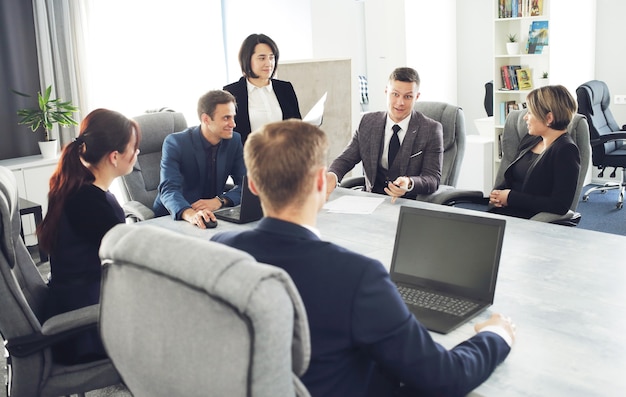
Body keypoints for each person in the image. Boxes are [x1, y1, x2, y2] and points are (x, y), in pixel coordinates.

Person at [211, 119, 515, 397]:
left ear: (252, 184)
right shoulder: (357, 276)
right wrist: (496, 335)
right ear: (321, 182)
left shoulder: (220, 251)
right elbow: (446, 377)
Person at [37, 108, 140, 364]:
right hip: (84, 328)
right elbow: (127, 261)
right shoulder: (90, 203)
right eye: (134, 148)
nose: (137, 153)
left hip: (75, 305)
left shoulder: (76, 188)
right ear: (115, 156)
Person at [327, 67, 443, 201]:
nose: (400, 102)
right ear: (386, 91)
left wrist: (409, 183)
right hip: (370, 201)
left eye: (408, 96)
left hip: (408, 204)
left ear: (416, 97)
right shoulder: (367, 122)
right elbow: (346, 159)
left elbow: (432, 179)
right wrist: (332, 175)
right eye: (395, 94)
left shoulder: (431, 130)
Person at [153, 90, 246, 228]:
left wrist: (221, 201)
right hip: (174, 216)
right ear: (206, 119)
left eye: (233, 117)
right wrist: (190, 214)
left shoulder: (234, 140)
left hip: (212, 213)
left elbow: (246, 184)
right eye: (226, 118)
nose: (233, 124)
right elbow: (168, 189)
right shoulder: (176, 143)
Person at [488, 85, 580, 219]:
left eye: (530, 112)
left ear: (549, 118)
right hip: (505, 212)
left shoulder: (566, 150)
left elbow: (560, 205)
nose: (525, 117)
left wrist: (511, 198)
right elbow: (512, 178)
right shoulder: (531, 139)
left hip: (529, 221)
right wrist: (498, 195)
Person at [223, 33, 301, 145]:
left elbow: (297, 124)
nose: (269, 63)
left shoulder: (285, 88)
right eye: (262, 58)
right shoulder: (232, 92)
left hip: (285, 157)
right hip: (249, 159)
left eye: (271, 57)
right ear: (247, 59)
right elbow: (230, 134)